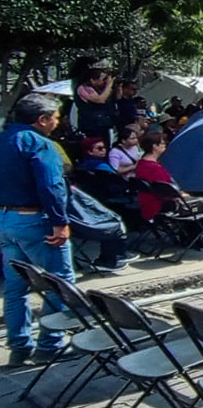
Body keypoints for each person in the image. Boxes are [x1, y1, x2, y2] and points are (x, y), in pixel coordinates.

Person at [0, 94, 75, 366]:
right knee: (59, 282)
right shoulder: (40, 144)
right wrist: (60, 221)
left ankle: (19, 346)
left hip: (5, 219)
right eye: (55, 118)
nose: (57, 122)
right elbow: (50, 185)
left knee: (14, 286)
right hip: (35, 219)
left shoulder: (4, 139)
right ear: (42, 119)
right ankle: (50, 344)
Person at [133, 132, 175, 221]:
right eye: (162, 143)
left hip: (146, 202)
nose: (165, 145)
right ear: (155, 146)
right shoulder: (154, 168)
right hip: (158, 206)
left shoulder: (141, 163)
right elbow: (167, 191)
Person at [75, 69, 116, 139]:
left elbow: (117, 98)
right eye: (103, 79)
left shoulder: (101, 89)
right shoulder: (84, 88)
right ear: (92, 80)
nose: (105, 81)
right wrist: (109, 85)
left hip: (103, 124)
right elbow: (100, 100)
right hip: (91, 125)